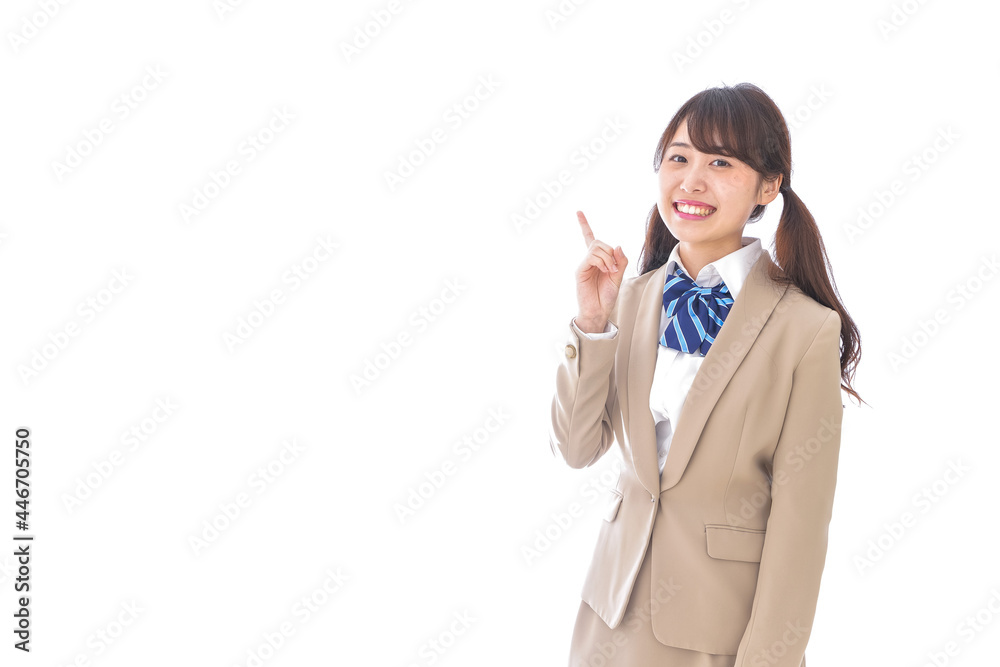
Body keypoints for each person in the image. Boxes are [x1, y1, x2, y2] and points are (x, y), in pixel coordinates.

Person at [549, 82, 865, 667]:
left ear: (768, 186)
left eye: (720, 163)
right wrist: (592, 326)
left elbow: (800, 525)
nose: (692, 181)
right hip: (607, 618)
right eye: (679, 158)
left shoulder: (804, 329)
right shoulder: (629, 300)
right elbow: (575, 448)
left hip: (718, 632)